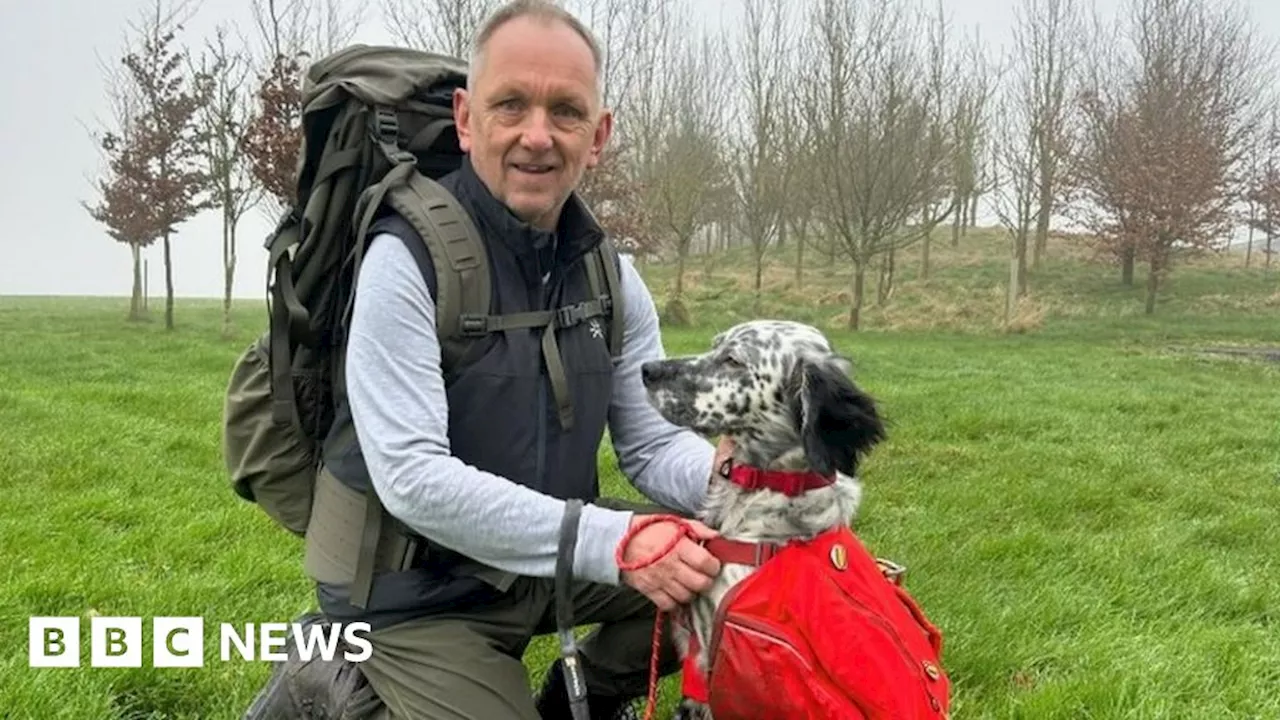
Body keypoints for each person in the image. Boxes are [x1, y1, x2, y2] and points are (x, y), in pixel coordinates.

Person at [307, 1, 731, 718]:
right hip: (414, 590)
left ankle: (582, 705)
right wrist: (618, 542)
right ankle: (335, 682)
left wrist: (745, 490)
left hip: (543, 558)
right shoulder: (404, 259)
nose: (538, 136)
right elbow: (412, 477)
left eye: (565, 112)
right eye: (511, 105)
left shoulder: (611, 277)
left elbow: (651, 445)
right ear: (468, 120)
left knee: (728, 580)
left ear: (597, 136)